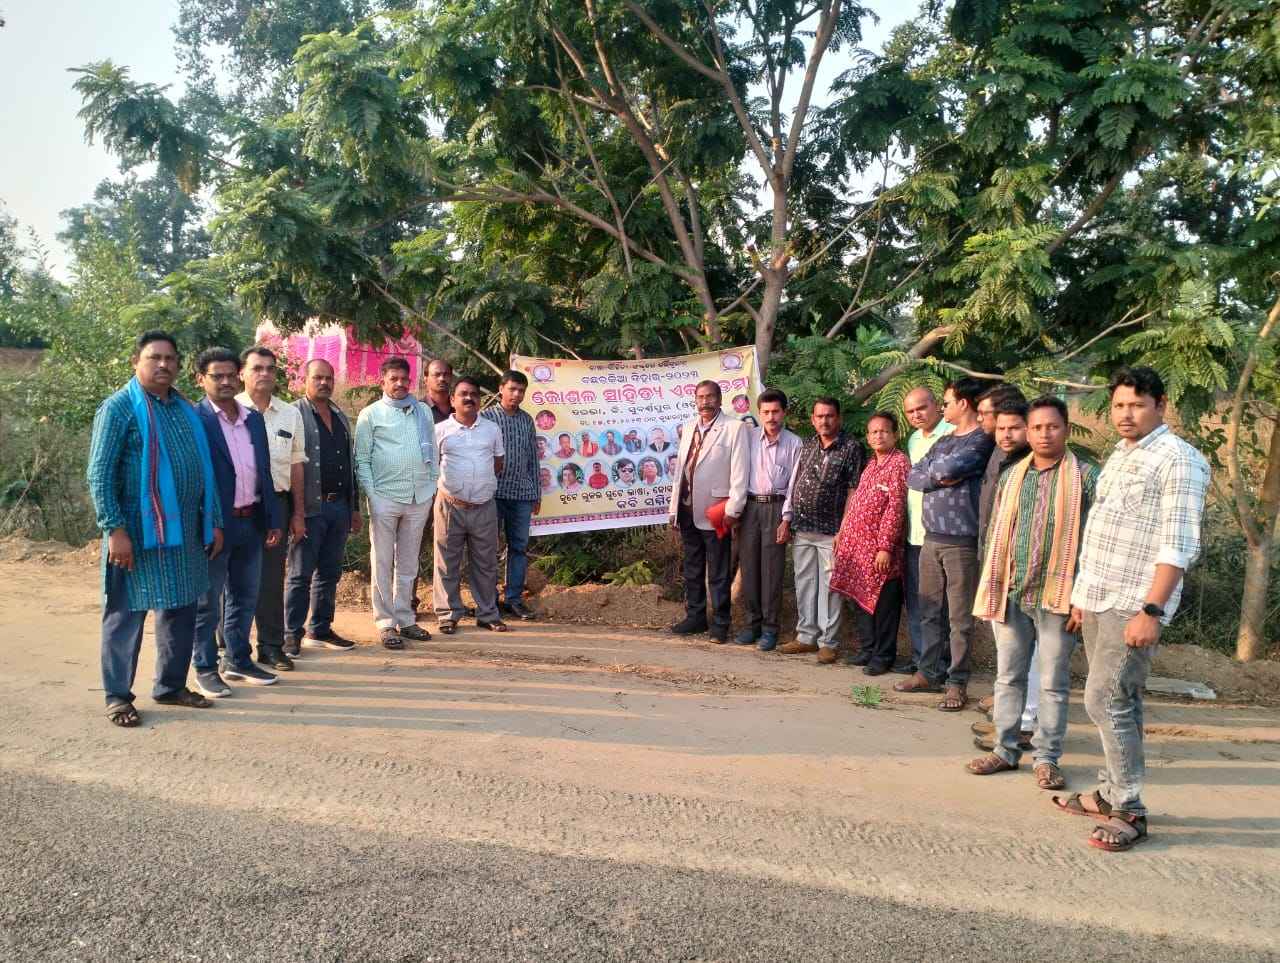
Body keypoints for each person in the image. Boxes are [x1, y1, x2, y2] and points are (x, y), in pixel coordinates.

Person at [1057, 367, 1208, 852]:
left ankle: (1129, 810)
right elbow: (1104, 529)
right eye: (1119, 405)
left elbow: (1179, 544)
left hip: (1134, 601)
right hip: (1100, 595)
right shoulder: (1122, 454)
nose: (1126, 414)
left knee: (1104, 700)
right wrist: (1082, 595)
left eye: (1137, 405)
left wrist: (1152, 610)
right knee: (1122, 700)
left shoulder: (1178, 460)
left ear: (1161, 405)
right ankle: (1109, 791)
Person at [87, 330, 223, 727]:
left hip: (184, 534)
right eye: (154, 357)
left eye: (170, 358)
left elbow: (204, 471)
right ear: (136, 362)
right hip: (135, 534)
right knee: (127, 614)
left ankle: (170, 686)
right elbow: (99, 474)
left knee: (181, 608)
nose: (163, 364)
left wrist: (213, 521)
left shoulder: (184, 409)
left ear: (178, 365)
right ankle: (117, 696)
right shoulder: (119, 409)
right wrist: (114, 530)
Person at [966, 397, 1099, 790]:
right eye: (1037, 427)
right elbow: (996, 533)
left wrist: (1084, 596)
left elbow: (1097, 539)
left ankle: (1047, 758)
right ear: (1028, 431)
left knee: (1053, 682)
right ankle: (1005, 750)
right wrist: (991, 584)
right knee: (1008, 677)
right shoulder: (1013, 476)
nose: (1044, 434)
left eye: (1052, 426)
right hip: (1012, 592)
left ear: (1066, 429)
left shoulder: (1086, 477)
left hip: (1059, 594)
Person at [896, 378, 994, 710]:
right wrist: (940, 476)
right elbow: (914, 476)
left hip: (961, 541)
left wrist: (937, 474)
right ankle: (928, 673)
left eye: (947, 402)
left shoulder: (982, 439)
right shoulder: (944, 440)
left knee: (959, 618)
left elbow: (947, 468)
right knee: (928, 611)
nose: (944, 406)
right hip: (931, 539)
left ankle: (957, 682)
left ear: (963, 404)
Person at [191, 348, 284, 696]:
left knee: (245, 596)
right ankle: (205, 666)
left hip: (251, 520)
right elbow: (193, 478)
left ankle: (238, 659)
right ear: (201, 379)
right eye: (217, 376)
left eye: (231, 374)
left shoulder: (253, 419)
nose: (226, 381)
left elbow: (264, 471)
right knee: (208, 601)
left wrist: (272, 517)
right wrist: (207, 523)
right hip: (216, 525)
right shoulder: (195, 419)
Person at [355, 357, 439, 649]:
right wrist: (373, 496)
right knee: (381, 561)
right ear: (383, 382)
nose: (400, 383)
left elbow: (433, 450)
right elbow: (362, 459)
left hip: (420, 496)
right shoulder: (370, 414)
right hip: (385, 498)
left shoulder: (423, 411)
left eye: (404, 378)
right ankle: (385, 623)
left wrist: (432, 485)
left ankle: (405, 618)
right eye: (394, 379)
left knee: (408, 561)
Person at [777, 398, 866, 663]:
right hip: (803, 527)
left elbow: (854, 490)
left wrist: (844, 529)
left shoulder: (851, 447)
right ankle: (806, 636)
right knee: (805, 583)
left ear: (838, 418)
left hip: (832, 531)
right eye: (819, 416)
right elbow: (795, 483)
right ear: (813, 419)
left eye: (829, 416)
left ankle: (828, 642)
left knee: (830, 587)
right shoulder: (807, 445)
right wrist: (787, 519)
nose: (824, 421)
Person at [236, 346, 307, 672]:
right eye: (257, 368)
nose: (264, 373)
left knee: (271, 579)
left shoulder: (290, 414)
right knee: (233, 580)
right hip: (239, 505)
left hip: (276, 504)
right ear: (242, 373)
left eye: (270, 368)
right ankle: (232, 649)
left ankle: (271, 647)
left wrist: (297, 513)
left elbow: (296, 465)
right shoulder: (230, 411)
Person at [285, 359, 362, 656]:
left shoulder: (340, 416)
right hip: (309, 508)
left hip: (338, 506)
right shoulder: (293, 414)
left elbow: (349, 465)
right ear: (305, 379)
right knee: (300, 574)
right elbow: (287, 464)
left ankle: (320, 628)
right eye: (318, 377)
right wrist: (296, 512)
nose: (324, 383)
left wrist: (354, 508)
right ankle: (291, 633)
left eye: (329, 378)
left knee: (330, 572)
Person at [667, 380, 749, 642]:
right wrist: (673, 508)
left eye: (710, 396)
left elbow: (740, 472)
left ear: (720, 399)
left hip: (717, 510)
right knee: (692, 568)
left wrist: (734, 509)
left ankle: (721, 623)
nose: (705, 402)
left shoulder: (734, 428)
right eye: (701, 397)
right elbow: (681, 471)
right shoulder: (689, 427)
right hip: (687, 508)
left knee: (718, 570)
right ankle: (695, 617)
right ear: (695, 400)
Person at [830, 412, 909, 674]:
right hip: (859, 550)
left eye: (884, 431)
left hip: (881, 552)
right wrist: (843, 532)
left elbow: (895, 508)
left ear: (895, 434)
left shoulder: (899, 464)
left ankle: (883, 656)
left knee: (885, 605)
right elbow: (856, 503)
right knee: (862, 600)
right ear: (868, 437)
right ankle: (867, 649)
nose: (879, 436)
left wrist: (885, 547)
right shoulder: (872, 464)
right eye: (874, 432)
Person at [433, 376, 508, 634]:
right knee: (446, 562)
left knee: (486, 563)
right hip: (449, 505)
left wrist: (479, 484)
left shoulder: (492, 429)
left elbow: (498, 463)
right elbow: (432, 465)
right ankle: (448, 614)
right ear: (452, 400)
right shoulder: (440, 430)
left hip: (484, 506)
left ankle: (487, 614)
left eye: (474, 394)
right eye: (463, 394)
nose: (469, 398)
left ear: (479, 400)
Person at [734, 388, 802, 651]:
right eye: (766, 412)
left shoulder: (794, 443)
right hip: (750, 507)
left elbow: (794, 485)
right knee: (750, 567)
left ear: (784, 413)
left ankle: (770, 629)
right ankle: (752, 625)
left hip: (776, 508)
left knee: (772, 571)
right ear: (759, 413)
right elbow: (737, 473)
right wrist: (735, 511)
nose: (771, 417)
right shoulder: (748, 438)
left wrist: (787, 519)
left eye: (776, 411)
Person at [893, 387, 954, 675]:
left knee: (942, 606)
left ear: (936, 405)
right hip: (914, 535)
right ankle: (921, 660)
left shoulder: (952, 434)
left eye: (921, 408)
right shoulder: (913, 439)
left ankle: (941, 665)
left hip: (941, 534)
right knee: (918, 601)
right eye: (910, 411)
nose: (916, 414)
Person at [482, 370, 541, 620]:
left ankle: (514, 599)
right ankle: (489, 600)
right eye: (512, 389)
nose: (516, 395)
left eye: (521, 391)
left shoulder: (527, 420)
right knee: (489, 548)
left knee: (519, 547)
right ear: (501, 389)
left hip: (522, 495)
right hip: (493, 494)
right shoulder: (486, 417)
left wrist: (536, 493)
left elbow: (533, 459)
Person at [424, 358, 454, 424]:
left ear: (451, 378)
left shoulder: (459, 407)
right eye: (437, 375)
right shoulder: (417, 410)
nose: (442, 379)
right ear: (426, 379)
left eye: (446, 374)